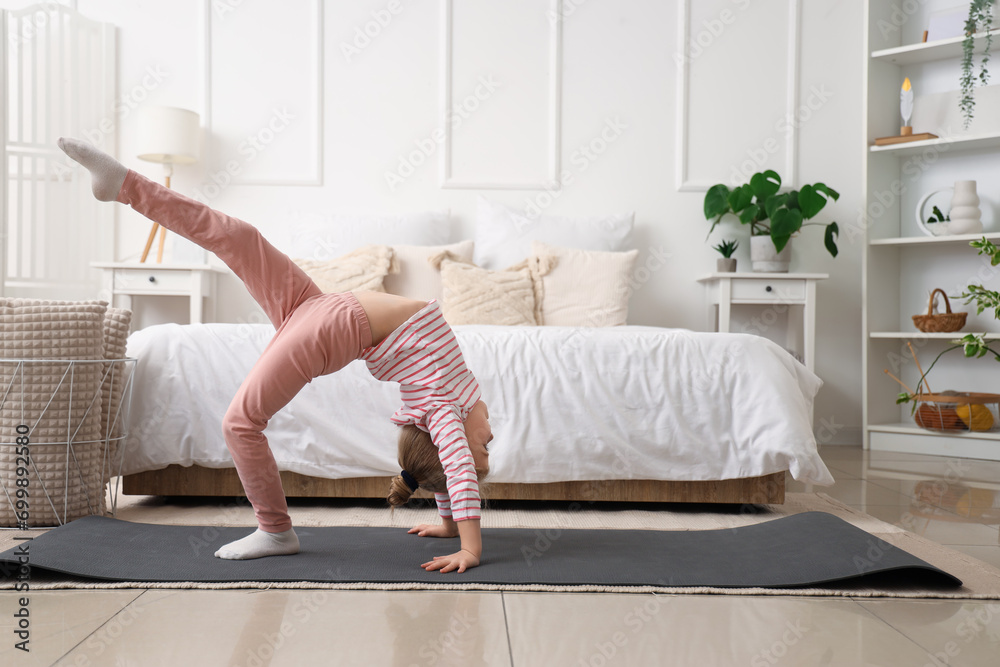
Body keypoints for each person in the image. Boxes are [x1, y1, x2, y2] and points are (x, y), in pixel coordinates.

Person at [57, 138, 493, 573]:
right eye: (485, 450)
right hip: (319, 306)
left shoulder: (442, 413)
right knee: (238, 238)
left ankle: (275, 530)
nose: (490, 441)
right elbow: (447, 466)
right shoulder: (456, 397)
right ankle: (124, 185)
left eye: (483, 453)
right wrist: (448, 524)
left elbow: (456, 467)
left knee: (240, 422)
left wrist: (469, 548)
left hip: (335, 327)